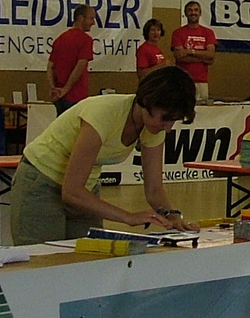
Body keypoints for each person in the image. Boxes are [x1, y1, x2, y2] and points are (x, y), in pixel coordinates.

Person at [10, 67, 198, 243]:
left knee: (88, 261)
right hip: (41, 182)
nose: (168, 127)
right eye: (165, 118)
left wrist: (173, 216)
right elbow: (72, 191)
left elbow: (154, 189)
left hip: (85, 190)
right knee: (44, 261)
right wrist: (128, 217)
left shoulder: (153, 128)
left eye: (174, 120)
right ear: (147, 101)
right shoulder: (104, 112)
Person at [48, 4, 97, 115]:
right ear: (81, 18)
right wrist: (65, 89)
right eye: (91, 18)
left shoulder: (60, 39)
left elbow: (50, 66)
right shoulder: (86, 40)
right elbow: (80, 67)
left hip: (59, 97)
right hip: (76, 97)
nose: (93, 23)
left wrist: (53, 88)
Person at [171, 0, 218, 103]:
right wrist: (203, 58)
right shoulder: (178, 33)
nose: (193, 13)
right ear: (185, 13)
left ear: (200, 13)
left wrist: (189, 52)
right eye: (190, 10)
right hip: (182, 81)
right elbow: (179, 56)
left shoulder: (208, 33)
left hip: (202, 81)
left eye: (196, 10)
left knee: (202, 110)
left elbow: (211, 55)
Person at [135, 18, 168, 83]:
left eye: (158, 30)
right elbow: (141, 74)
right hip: (149, 86)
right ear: (147, 32)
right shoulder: (143, 49)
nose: (156, 33)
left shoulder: (157, 49)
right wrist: (161, 66)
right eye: (152, 30)